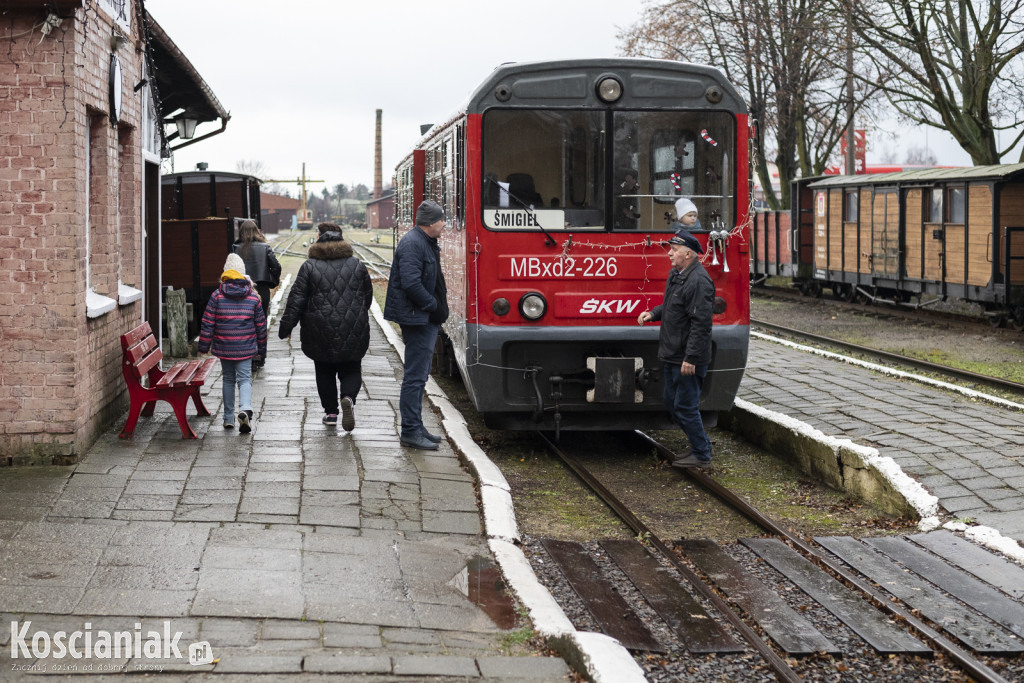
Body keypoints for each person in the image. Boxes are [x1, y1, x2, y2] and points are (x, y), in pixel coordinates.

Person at [278, 223, 372, 431]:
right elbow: (367, 296)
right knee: (352, 368)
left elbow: (296, 300)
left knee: (324, 370)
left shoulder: (309, 266)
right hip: (351, 326)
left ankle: (331, 413)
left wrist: (286, 327)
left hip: (319, 328)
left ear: (318, 239)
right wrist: (357, 314)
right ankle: (348, 398)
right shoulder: (357, 264)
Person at [637, 228, 715, 468]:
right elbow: (672, 305)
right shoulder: (678, 275)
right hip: (673, 354)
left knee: (685, 405)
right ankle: (700, 445)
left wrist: (690, 358)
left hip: (687, 358)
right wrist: (654, 313)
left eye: (675, 250)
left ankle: (702, 454)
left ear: (689, 254)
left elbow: (700, 324)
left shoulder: (699, 282)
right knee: (672, 402)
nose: (670, 254)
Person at [383, 200, 449, 451]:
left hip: (423, 318)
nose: (444, 224)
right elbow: (411, 284)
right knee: (414, 377)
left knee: (420, 377)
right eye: (442, 219)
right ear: (431, 222)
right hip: (418, 318)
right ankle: (410, 431)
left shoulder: (424, 241)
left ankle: (417, 426)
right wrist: (433, 306)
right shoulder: (413, 244)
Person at [198, 253, 268, 434]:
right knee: (245, 379)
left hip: (224, 347)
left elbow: (208, 323)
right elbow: (261, 326)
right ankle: (244, 409)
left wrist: (204, 347)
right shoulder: (253, 298)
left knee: (228, 380)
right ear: (243, 274)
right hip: (245, 347)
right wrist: (261, 350)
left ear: (225, 273)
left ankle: (228, 418)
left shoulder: (217, 296)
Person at [231, 219, 281, 370]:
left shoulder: (235, 248)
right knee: (260, 324)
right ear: (257, 231)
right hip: (261, 290)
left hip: (242, 290)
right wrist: (272, 281)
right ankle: (259, 357)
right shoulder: (265, 247)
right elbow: (276, 266)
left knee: (244, 324)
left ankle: (245, 355)